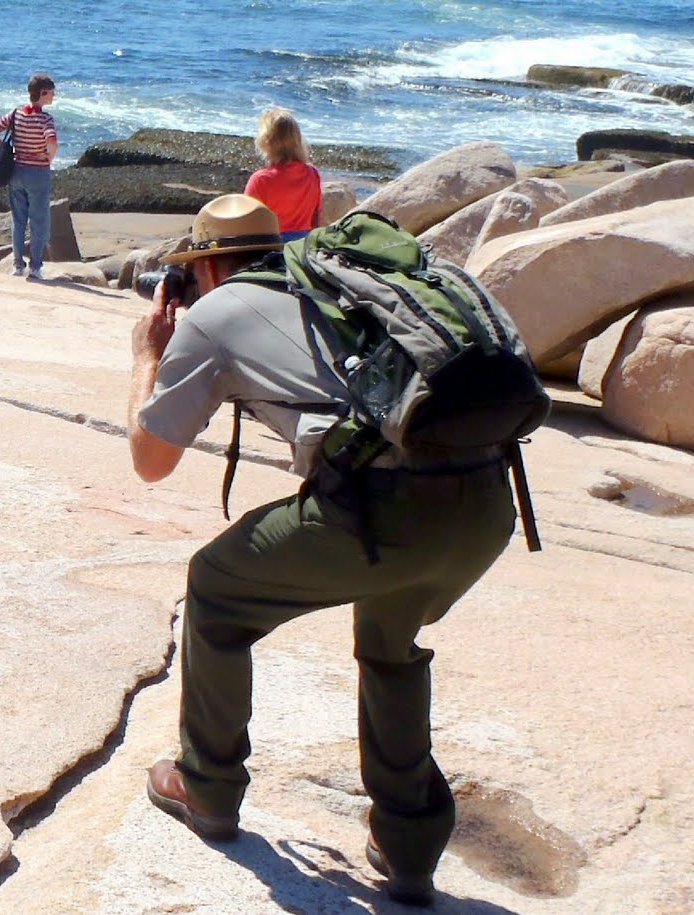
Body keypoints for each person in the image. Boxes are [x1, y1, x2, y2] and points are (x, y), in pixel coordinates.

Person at [128, 194, 516, 907]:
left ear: (207, 267)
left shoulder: (215, 314)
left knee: (215, 587)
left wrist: (148, 357)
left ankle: (207, 787)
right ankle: (409, 848)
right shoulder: (336, 288)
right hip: (489, 501)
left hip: (386, 511)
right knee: (389, 641)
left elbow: (150, 459)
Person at [0, 73, 58, 279]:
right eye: (51, 92)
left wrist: (5, 149)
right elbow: (51, 142)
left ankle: (18, 265)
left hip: (16, 170)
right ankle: (35, 267)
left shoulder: (16, 114)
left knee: (18, 220)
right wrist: (49, 157)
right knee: (39, 221)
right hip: (37, 172)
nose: (53, 96)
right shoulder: (45, 118)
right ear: (43, 93)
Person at [243, 107, 322, 241]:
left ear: (266, 142)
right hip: (301, 246)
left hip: (271, 247)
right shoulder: (312, 173)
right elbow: (316, 218)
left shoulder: (261, 179)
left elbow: (246, 222)